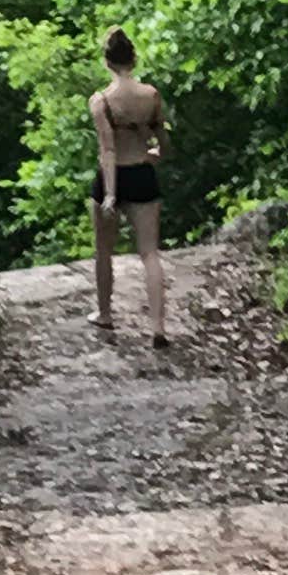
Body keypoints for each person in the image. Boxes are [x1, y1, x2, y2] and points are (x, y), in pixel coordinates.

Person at [89, 31, 169, 345]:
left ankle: (105, 313)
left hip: (113, 178)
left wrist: (110, 193)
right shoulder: (150, 95)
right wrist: (157, 155)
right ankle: (158, 327)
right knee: (150, 253)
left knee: (104, 251)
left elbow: (107, 149)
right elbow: (162, 139)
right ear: (133, 59)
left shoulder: (101, 101)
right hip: (142, 174)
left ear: (107, 62)